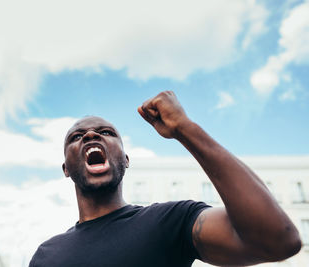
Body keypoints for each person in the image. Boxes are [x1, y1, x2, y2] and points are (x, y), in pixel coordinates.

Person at [29, 91, 301, 267]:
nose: (91, 136)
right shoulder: (46, 256)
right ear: (66, 168)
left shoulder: (172, 221)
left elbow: (278, 240)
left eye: (106, 132)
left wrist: (185, 129)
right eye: (76, 137)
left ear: (125, 160)